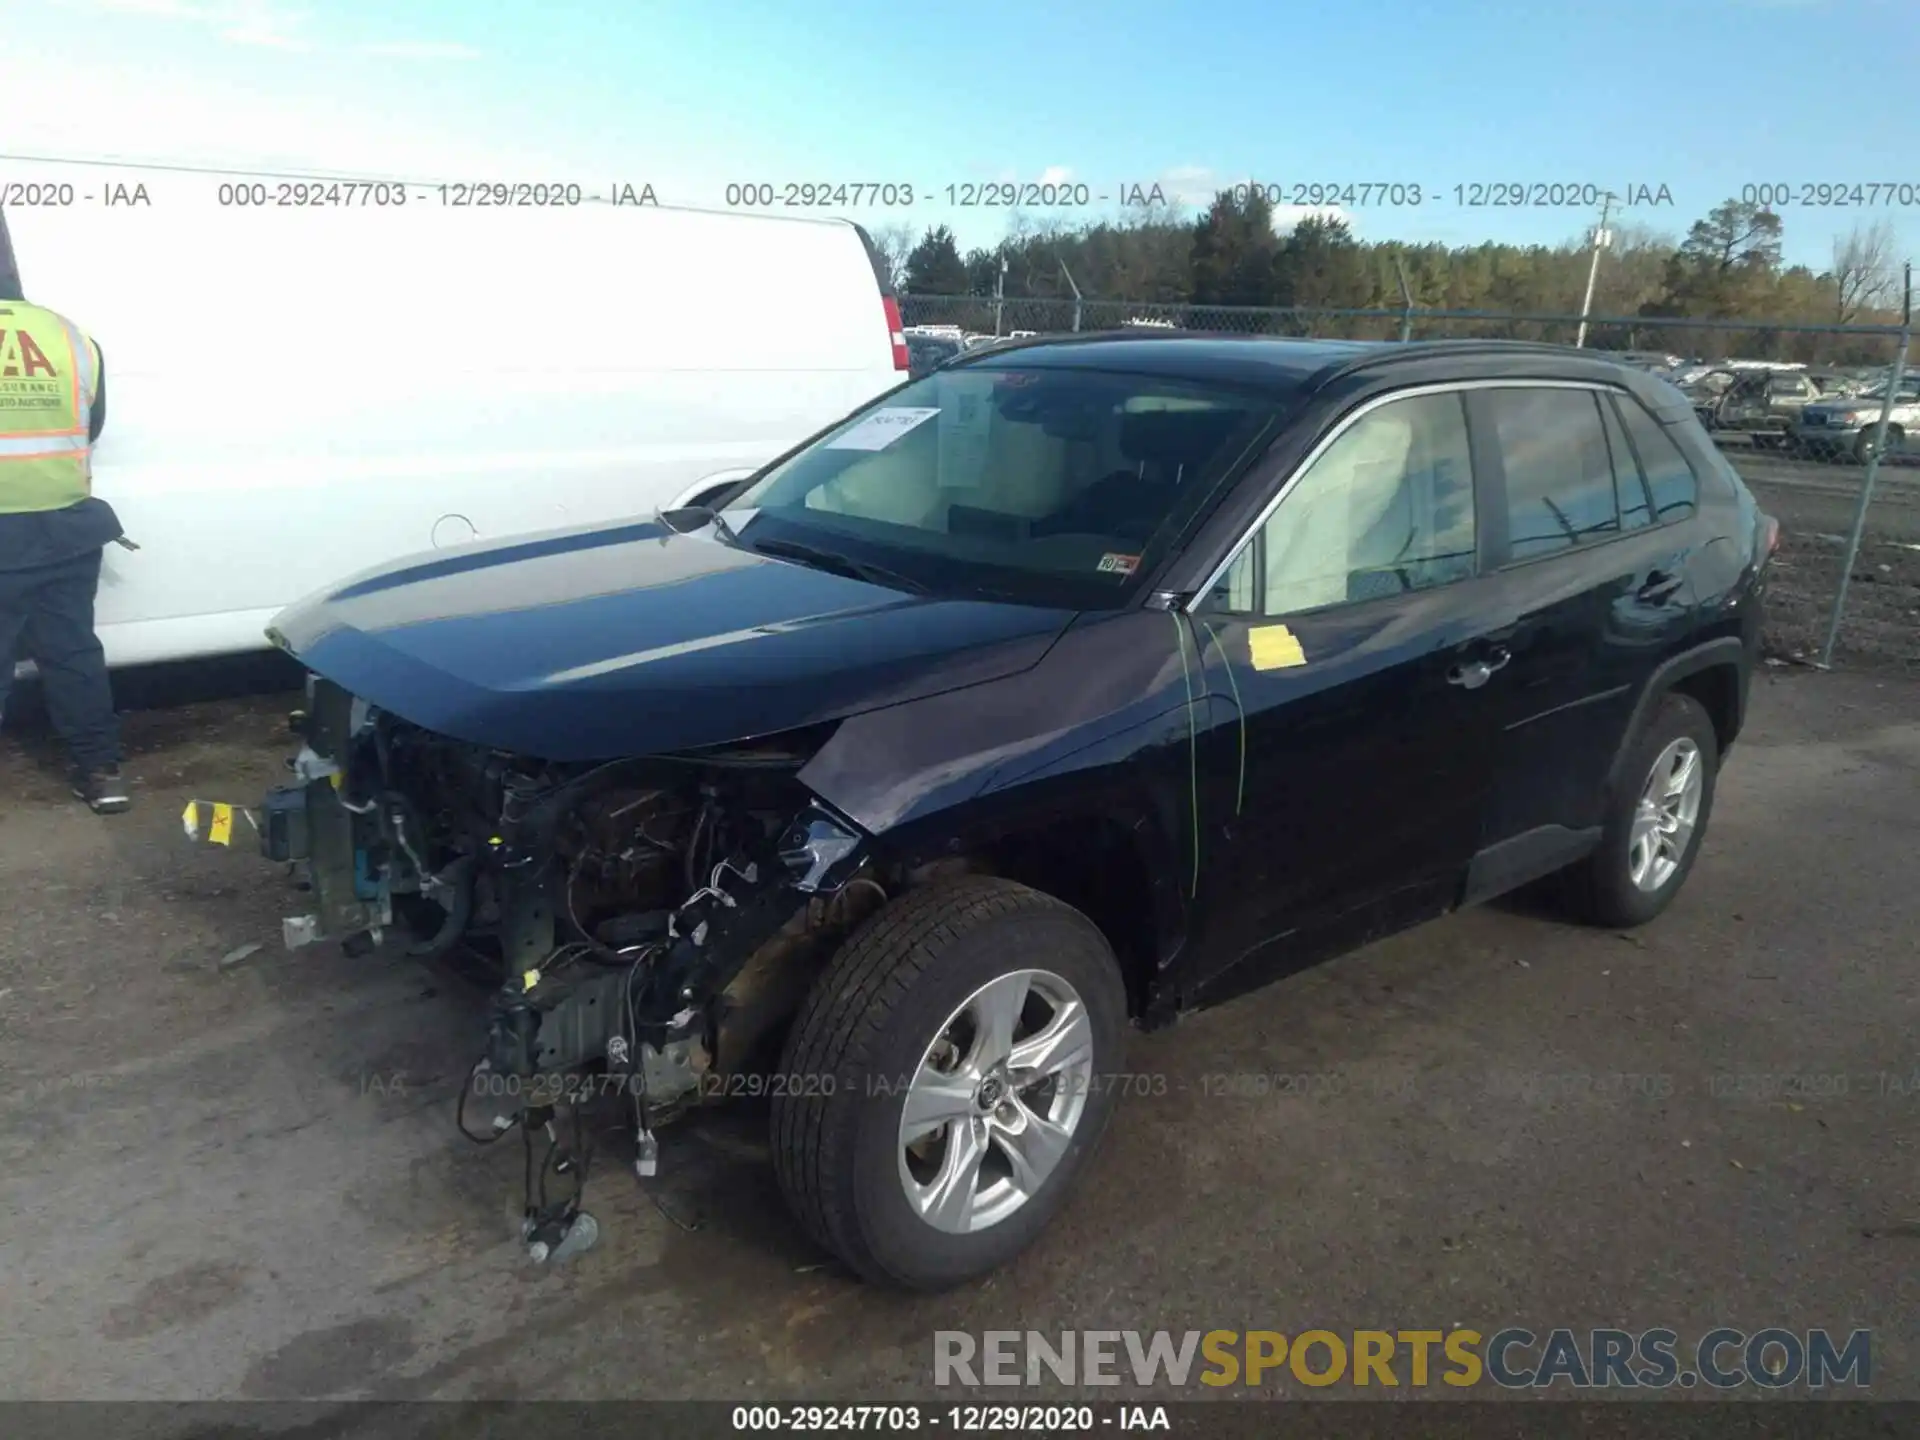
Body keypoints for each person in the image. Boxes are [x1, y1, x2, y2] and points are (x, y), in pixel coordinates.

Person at [0, 280, 129, 814]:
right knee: (73, 653)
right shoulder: (71, 337)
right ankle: (101, 773)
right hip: (67, 525)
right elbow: (89, 425)